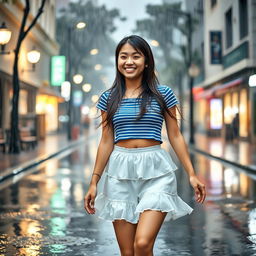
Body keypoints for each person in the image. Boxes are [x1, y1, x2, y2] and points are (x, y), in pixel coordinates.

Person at [84, 35, 206, 256]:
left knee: (142, 244)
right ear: (117, 61)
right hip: (120, 171)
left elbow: (175, 136)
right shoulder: (108, 98)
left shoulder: (163, 94)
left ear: (146, 61)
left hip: (156, 170)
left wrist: (192, 173)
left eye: (135, 56)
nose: (129, 62)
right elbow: (106, 141)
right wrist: (94, 182)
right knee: (128, 252)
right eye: (123, 57)